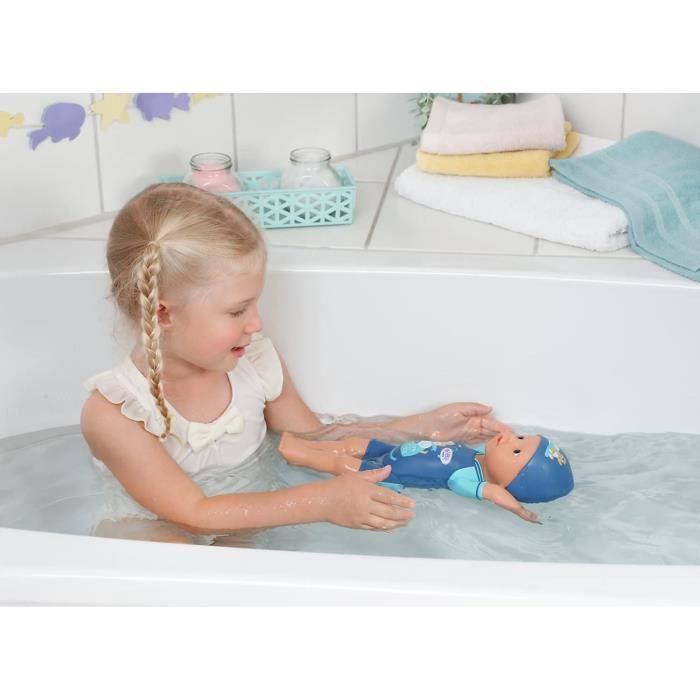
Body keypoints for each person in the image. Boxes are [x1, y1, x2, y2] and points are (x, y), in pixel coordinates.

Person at [81, 182, 509, 545]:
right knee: (174, 552)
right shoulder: (116, 413)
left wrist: (420, 428)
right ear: (163, 314)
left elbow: (311, 438)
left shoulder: (253, 361)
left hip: (250, 518)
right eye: (237, 311)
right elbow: (193, 512)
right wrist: (322, 502)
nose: (257, 323)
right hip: (157, 528)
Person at [278, 430, 574, 524]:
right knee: (353, 444)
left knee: (343, 464)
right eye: (521, 437)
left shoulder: (468, 480)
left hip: (390, 472)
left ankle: (298, 453)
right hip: (395, 451)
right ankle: (305, 443)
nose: (510, 438)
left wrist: (521, 511)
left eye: (516, 450)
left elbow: (496, 494)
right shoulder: (479, 455)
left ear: (508, 484)